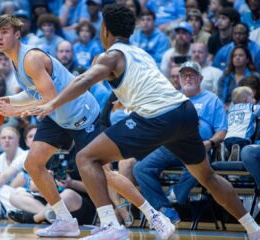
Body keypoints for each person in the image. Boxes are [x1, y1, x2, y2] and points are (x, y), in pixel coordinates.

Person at [27, 4, 260, 240]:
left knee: (86, 157)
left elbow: (85, 79)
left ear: (105, 29)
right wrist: (123, 101)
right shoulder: (140, 53)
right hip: (184, 111)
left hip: (158, 116)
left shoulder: (112, 55)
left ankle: (111, 226)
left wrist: (52, 104)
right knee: (207, 176)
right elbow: (143, 86)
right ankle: (253, 229)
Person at [0, 14, 101, 238]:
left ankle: (138, 215)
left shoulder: (30, 58)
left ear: (17, 34)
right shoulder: (14, 60)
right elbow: (34, 93)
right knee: (33, 164)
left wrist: (15, 111)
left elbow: (49, 98)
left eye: (4, 33)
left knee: (102, 171)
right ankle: (64, 220)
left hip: (80, 113)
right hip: (58, 116)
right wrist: (9, 101)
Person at [133, 61, 227, 224]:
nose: (188, 78)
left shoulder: (212, 100)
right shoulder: (172, 98)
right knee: (141, 168)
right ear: (180, 79)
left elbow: (222, 130)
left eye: (192, 75)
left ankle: (176, 194)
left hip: (198, 147)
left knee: (199, 166)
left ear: (200, 78)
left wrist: (210, 143)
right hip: (171, 146)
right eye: (184, 75)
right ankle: (164, 209)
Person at [223, 86, 260, 161]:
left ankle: (225, 153)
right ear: (245, 99)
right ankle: (238, 156)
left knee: (233, 153)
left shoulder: (230, 109)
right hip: (242, 138)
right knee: (245, 155)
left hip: (227, 138)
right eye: (252, 97)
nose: (255, 99)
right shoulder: (251, 107)